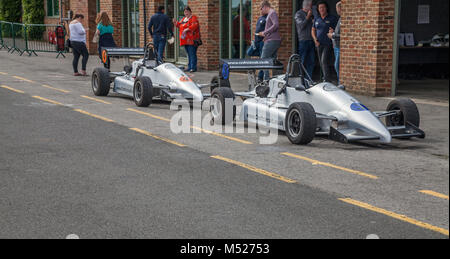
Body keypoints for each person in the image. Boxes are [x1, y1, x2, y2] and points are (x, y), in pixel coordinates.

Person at [312, 1, 338, 82]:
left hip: (328, 43)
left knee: (324, 60)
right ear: (318, 9)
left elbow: (336, 31)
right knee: (321, 62)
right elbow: (313, 30)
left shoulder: (332, 18)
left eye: (323, 7)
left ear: (326, 8)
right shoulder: (317, 18)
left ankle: (326, 79)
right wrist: (315, 39)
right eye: (320, 8)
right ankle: (326, 77)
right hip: (319, 43)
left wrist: (333, 31)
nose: (322, 9)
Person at [257, 1, 281, 80]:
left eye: (261, 8)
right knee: (273, 60)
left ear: (265, 7)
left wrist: (264, 32)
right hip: (273, 39)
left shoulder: (272, 13)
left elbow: (276, 25)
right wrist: (265, 36)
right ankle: (277, 79)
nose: (261, 10)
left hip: (272, 40)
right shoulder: (271, 14)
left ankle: (266, 79)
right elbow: (272, 27)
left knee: (263, 59)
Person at [174, 6, 200, 73]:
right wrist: (176, 23)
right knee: (188, 54)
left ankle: (193, 67)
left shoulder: (193, 18)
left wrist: (188, 29)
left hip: (192, 39)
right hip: (185, 40)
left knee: (192, 53)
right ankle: (189, 67)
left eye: (187, 11)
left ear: (190, 12)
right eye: (185, 12)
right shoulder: (183, 19)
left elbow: (195, 25)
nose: (186, 13)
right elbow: (180, 26)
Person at [295, 0, 315, 79]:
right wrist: (307, 17)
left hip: (311, 40)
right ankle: (300, 78)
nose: (311, 7)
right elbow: (301, 26)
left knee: (311, 61)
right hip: (303, 41)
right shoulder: (298, 14)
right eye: (310, 5)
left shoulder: (312, 14)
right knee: (302, 61)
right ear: (307, 6)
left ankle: (308, 78)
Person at [328, 1, 342, 83]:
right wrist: (333, 32)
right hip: (336, 46)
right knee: (336, 65)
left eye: (337, 9)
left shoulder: (343, 19)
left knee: (337, 66)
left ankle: (340, 82)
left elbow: (344, 35)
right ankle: (340, 81)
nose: (336, 10)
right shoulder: (340, 18)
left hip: (340, 47)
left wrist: (333, 35)